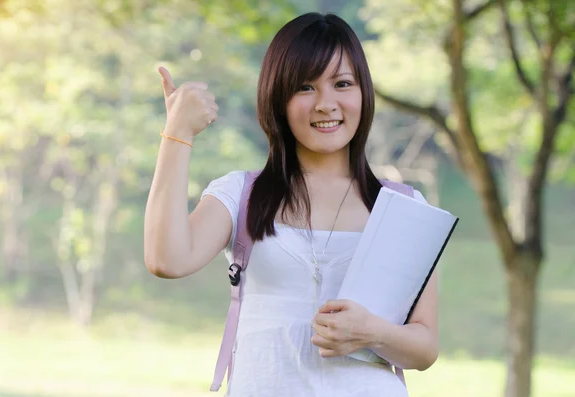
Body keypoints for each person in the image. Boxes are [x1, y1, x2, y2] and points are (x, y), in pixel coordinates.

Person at [144, 12, 438, 397]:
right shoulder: (242, 194)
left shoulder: (404, 206)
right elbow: (166, 259)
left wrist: (371, 332)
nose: (325, 104)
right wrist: (177, 133)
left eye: (342, 84)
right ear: (278, 99)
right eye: (305, 87)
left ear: (363, 92)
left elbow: (425, 347)